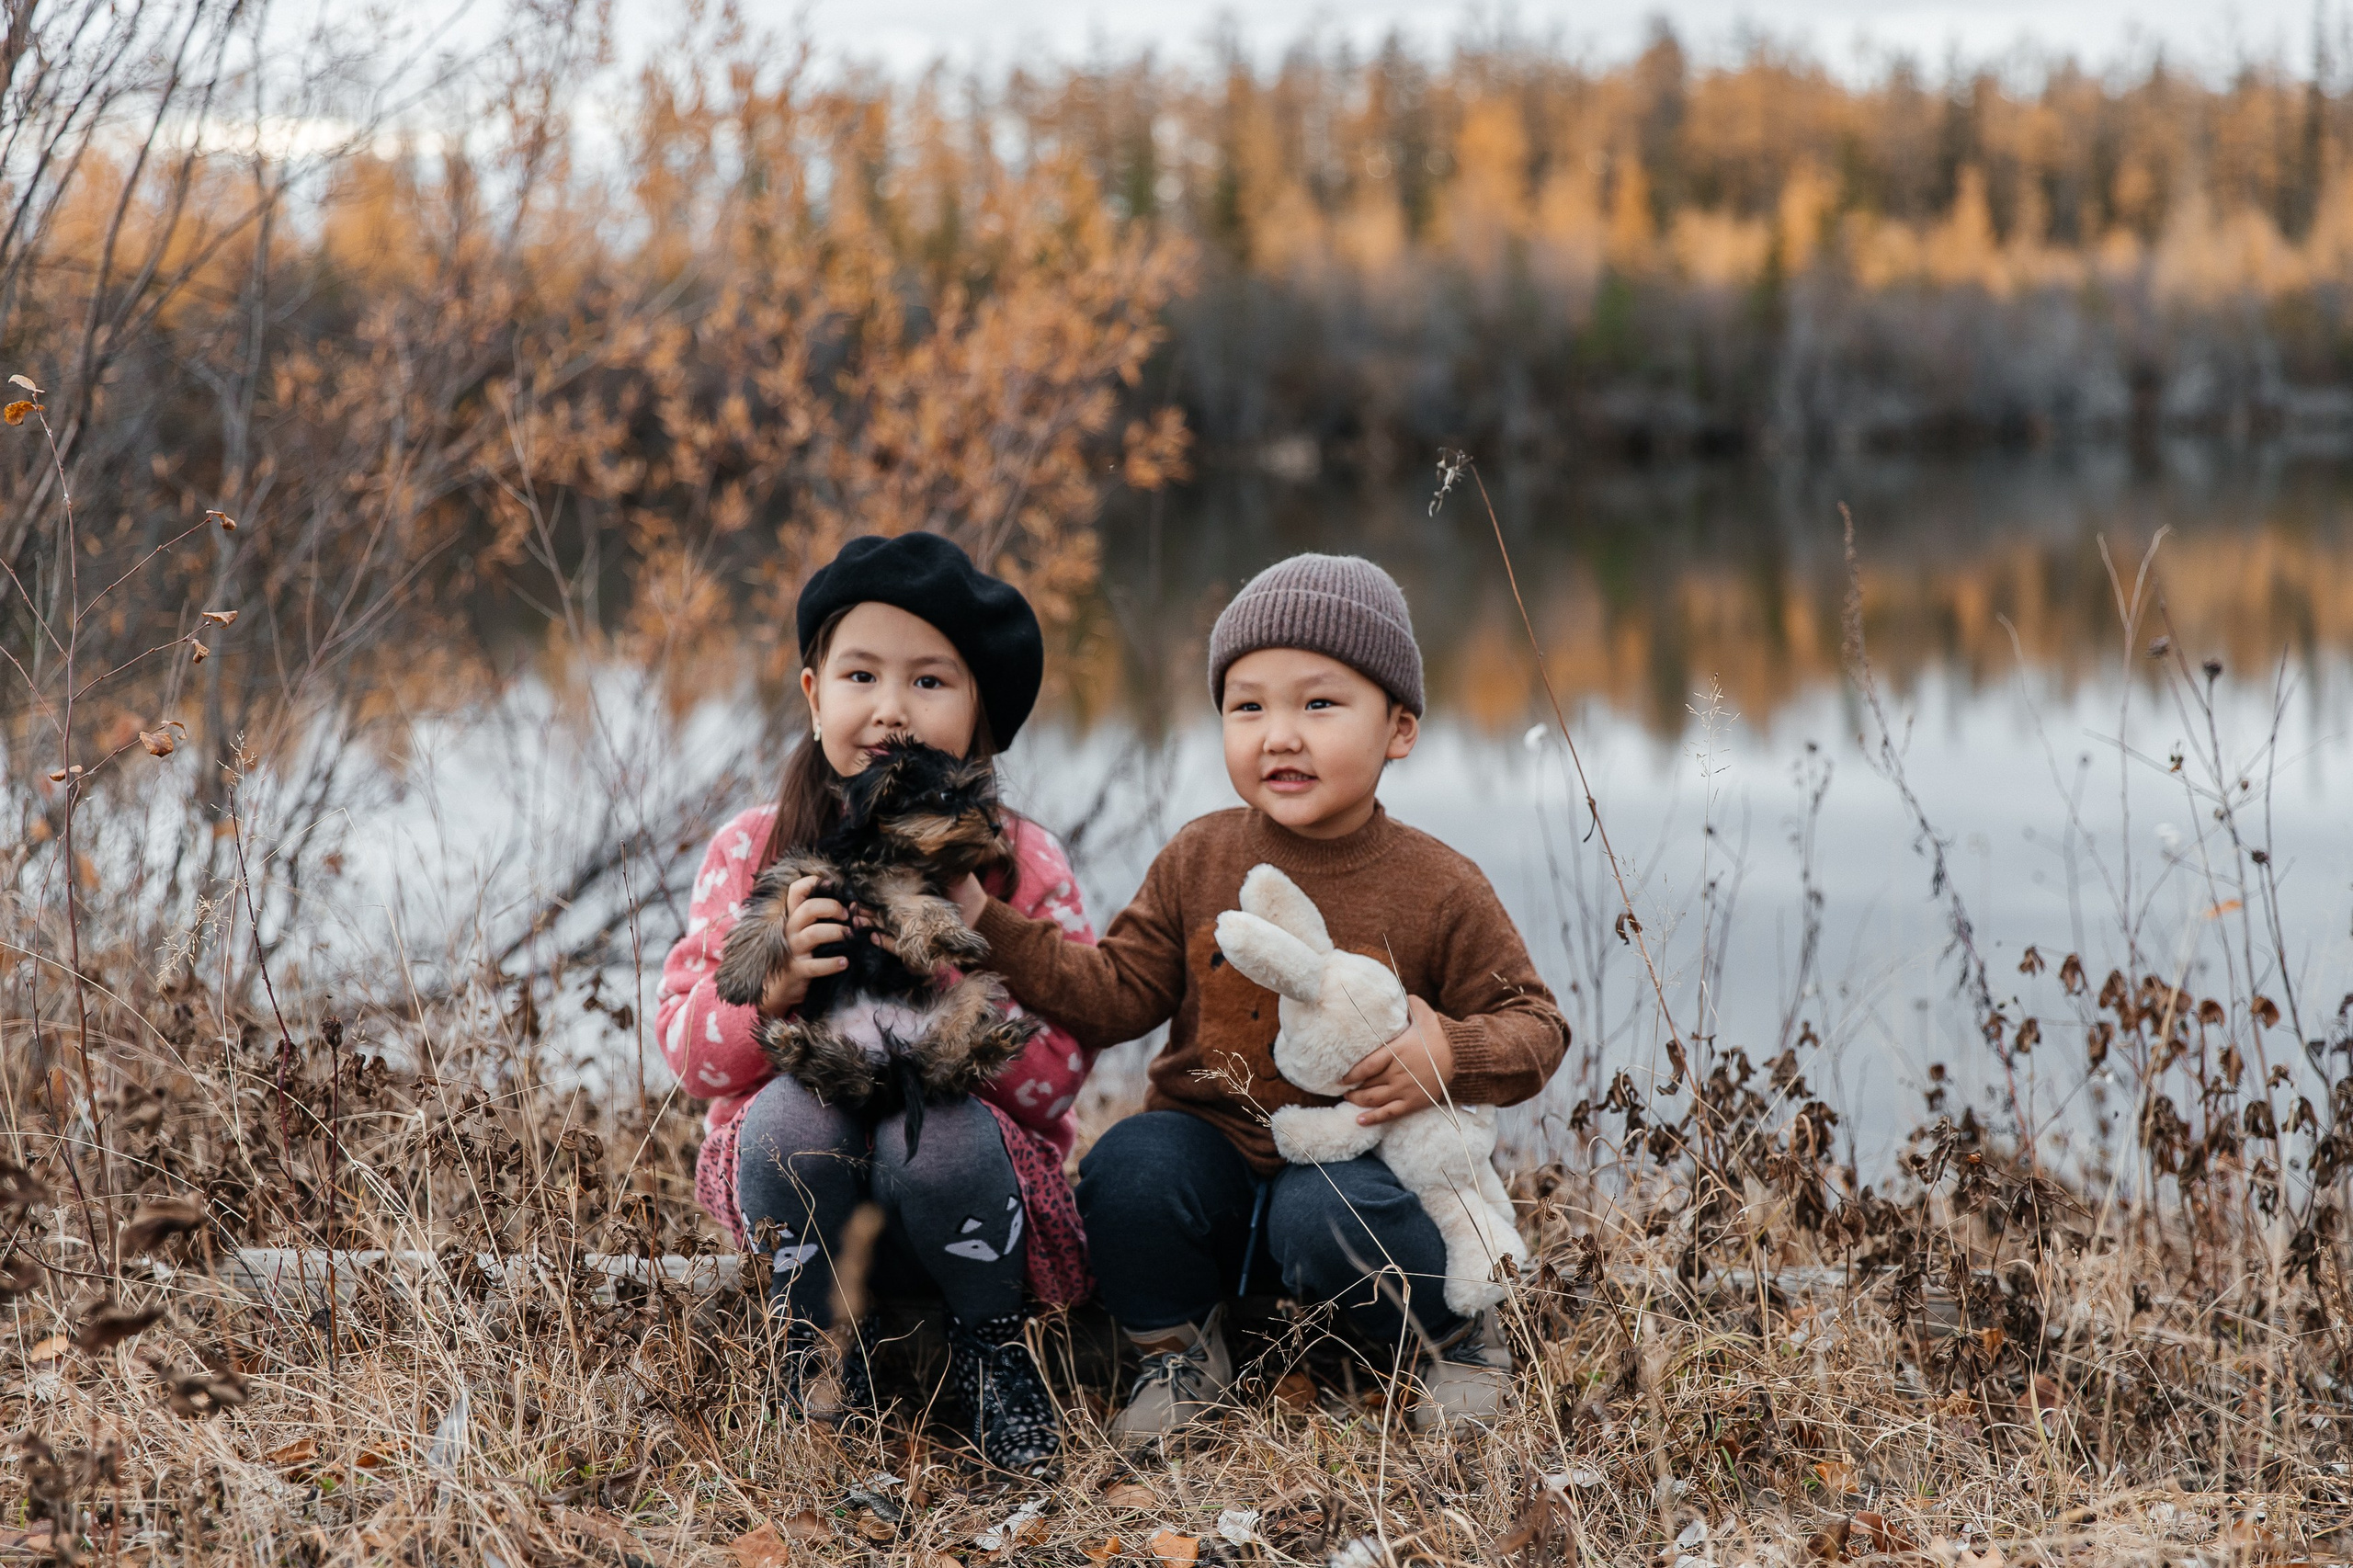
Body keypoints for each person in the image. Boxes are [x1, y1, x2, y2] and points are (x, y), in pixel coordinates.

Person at [954, 552, 1570, 1437]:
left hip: (1355, 1171)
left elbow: (1537, 1028)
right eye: (1249, 706)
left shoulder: (1440, 885)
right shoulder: (1199, 856)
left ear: (1399, 728)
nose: (1279, 734)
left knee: (1326, 1210)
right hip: (1214, 1166)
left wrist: (1452, 1053)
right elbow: (1114, 995)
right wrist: (984, 917)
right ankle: (1176, 1353)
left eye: (1318, 704)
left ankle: (1450, 1339)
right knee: (1131, 1167)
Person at [655, 531, 1097, 1473]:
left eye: (930, 682)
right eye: (861, 674)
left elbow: (1058, 1073)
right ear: (815, 695)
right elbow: (685, 1049)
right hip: (797, 1204)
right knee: (788, 1113)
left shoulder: (1017, 861)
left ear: (980, 715)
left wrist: (957, 960)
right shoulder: (753, 847)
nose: (891, 709)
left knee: (938, 1124)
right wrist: (769, 995)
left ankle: (990, 1351)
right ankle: (814, 1363)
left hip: (972, 1199)